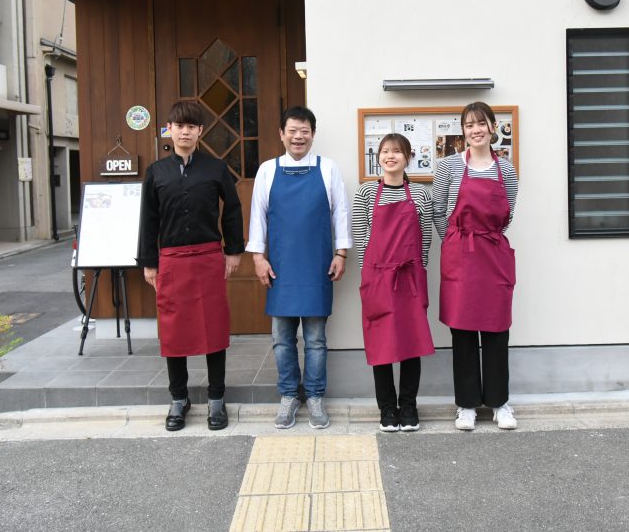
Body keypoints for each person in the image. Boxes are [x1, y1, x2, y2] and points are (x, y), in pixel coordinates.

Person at [137, 101, 243, 432]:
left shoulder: (215, 168)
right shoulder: (156, 171)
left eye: (192, 126)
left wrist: (234, 250)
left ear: (200, 131)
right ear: (169, 129)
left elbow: (233, 209)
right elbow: (148, 219)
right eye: (179, 125)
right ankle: (178, 399)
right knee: (173, 332)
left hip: (209, 257)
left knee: (214, 329)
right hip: (171, 261)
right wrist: (149, 262)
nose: (185, 131)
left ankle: (216, 399)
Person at [247, 106, 351, 429]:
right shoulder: (267, 170)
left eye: (304, 131)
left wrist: (341, 253)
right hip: (280, 267)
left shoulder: (327, 169)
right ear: (281, 134)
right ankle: (289, 395)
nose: (298, 136)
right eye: (292, 130)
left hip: (317, 264)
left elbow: (341, 214)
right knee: (281, 338)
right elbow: (257, 217)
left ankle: (316, 396)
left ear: (313, 134)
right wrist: (258, 258)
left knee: (316, 338)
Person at [432, 101, 519, 431]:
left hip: (493, 253)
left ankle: (499, 403)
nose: (476, 130)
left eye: (481, 123)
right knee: (463, 331)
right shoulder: (449, 167)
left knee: (497, 330)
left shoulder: (506, 170)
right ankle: (466, 405)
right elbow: (439, 208)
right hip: (461, 255)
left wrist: (486, 238)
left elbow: (507, 213)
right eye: (469, 125)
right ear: (463, 131)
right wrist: (453, 240)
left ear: (493, 128)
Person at [352, 133, 434, 432]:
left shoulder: (422, 194)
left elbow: (425, 238)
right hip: (376, 276)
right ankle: (387, 408)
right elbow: (361, 238)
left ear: (407, 157)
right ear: (378, 157)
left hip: (410, 277)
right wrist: (369, 277)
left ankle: (409, 406)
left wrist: (419, 270)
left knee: (412, 342)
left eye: (397, 151)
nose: (391, 156)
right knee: (381, 343)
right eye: (385, 151)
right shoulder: (365, 194)